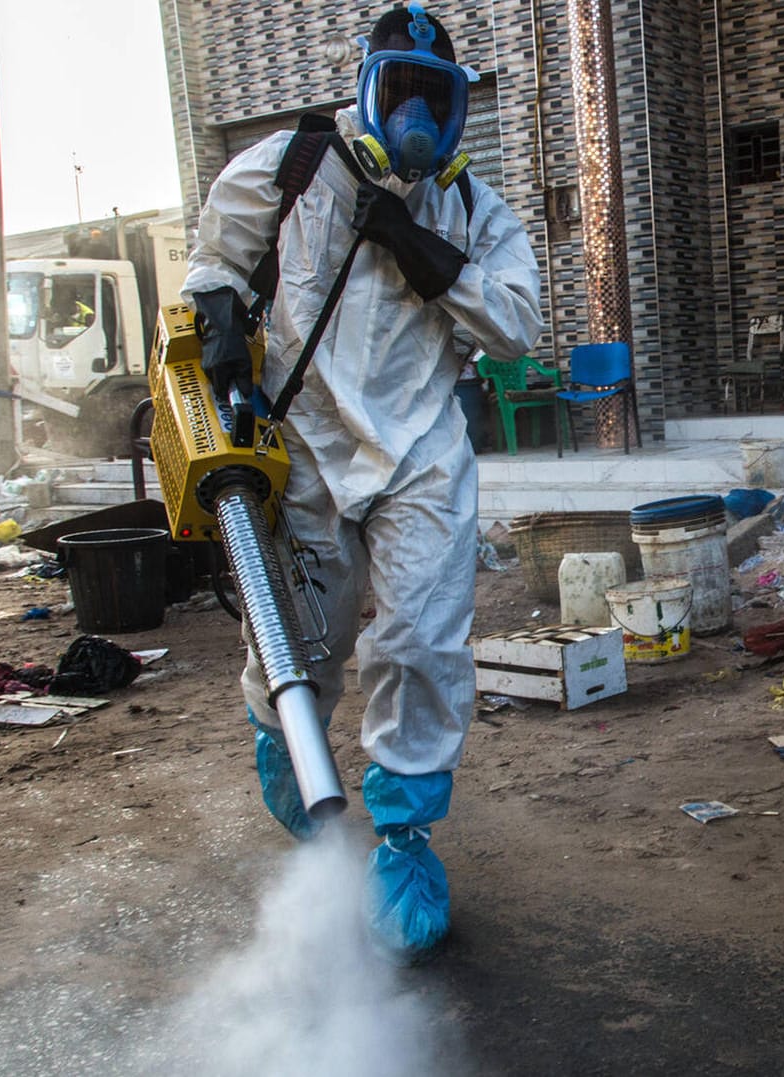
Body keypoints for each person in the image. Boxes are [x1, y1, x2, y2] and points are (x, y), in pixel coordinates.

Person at [183, 2, 543, 960]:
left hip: (423, 446)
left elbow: (515, 327)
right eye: (404, 91)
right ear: (369, 89)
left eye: (439, 96)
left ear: (460, 108)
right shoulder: (293, 166)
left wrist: (420, 250)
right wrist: (220, 343)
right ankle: (283, 737)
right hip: (302, 439)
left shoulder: (473, 212)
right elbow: (213, 262)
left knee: (424, 637)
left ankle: (404, 835)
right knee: (307, 634)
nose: (419, 114)